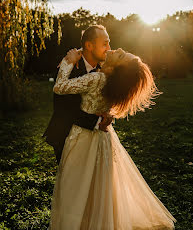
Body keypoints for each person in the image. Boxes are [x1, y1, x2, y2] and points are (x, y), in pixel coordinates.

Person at [48, 48, 176, 229]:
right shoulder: (111, 84)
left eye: (121, 55)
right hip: (103, 141)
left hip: (83, 140)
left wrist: (68, 62)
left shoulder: (97, 78)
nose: (119, 49)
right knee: (100, 188)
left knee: (76, 186)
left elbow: (59, 87)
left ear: (118, 69)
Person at [42, 25, 112, 164]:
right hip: (65, 135)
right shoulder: (68, 65)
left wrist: (108, 114)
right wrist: (97, 121)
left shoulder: (104, 70)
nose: (109, 48)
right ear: (89, 45)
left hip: (94, 138)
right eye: (105, 44)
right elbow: (64, 108)